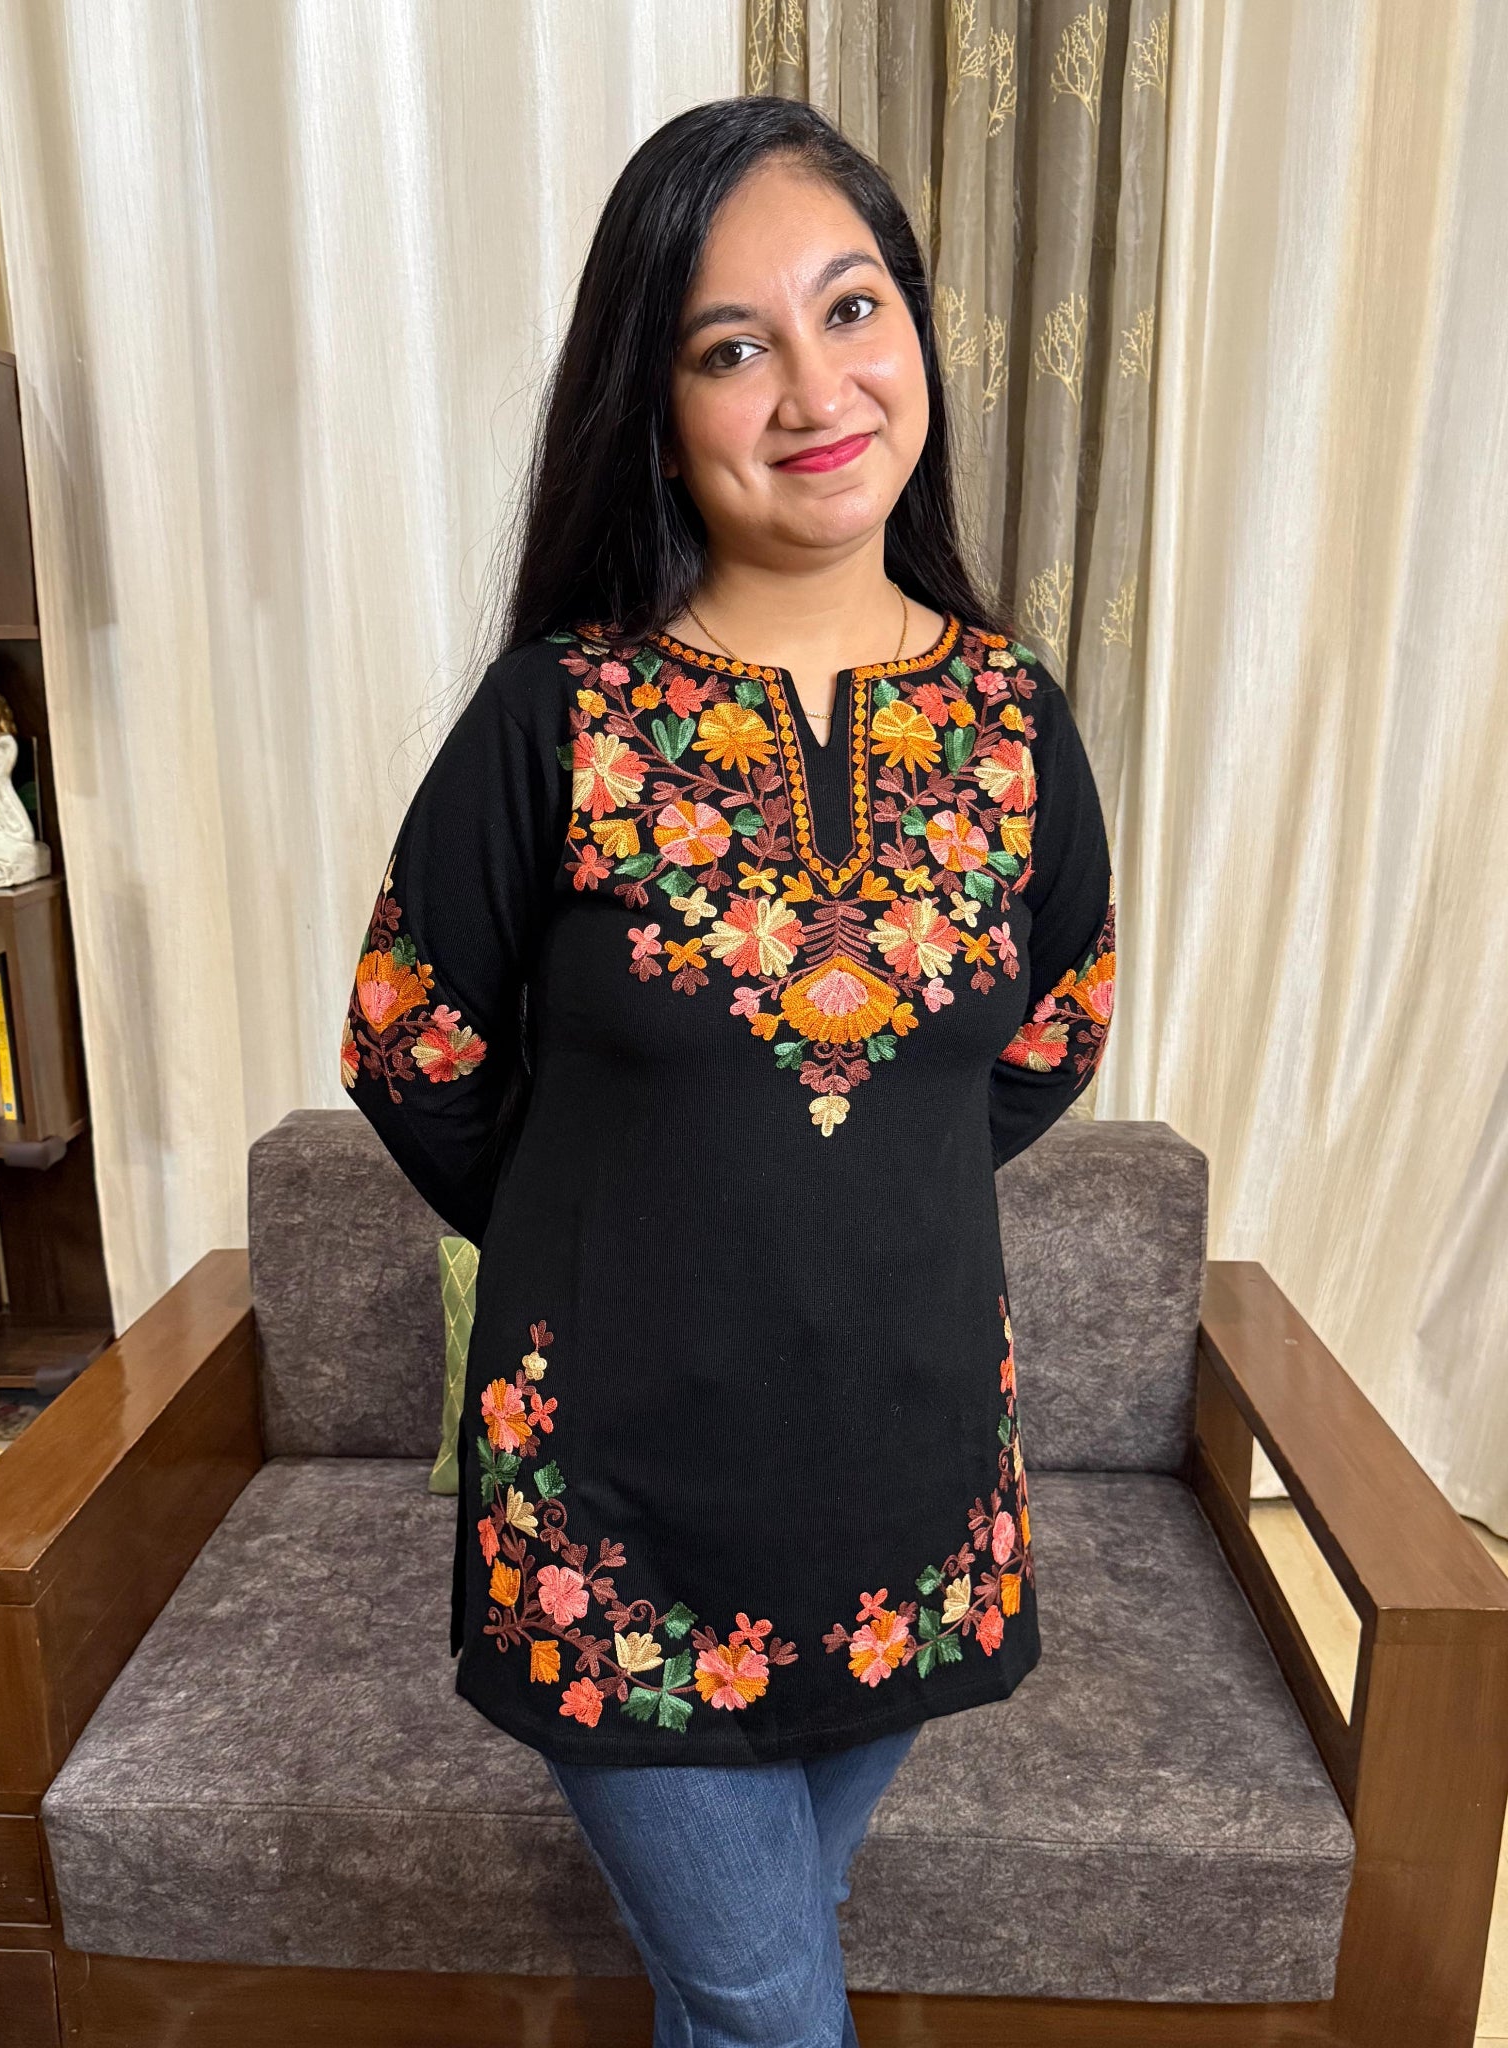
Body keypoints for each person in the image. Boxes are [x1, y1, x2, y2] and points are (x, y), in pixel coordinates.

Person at [342, 94, 1115, 2048]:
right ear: (661, 402)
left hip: (911, 1521)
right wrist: (602, 1234)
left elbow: (1052, 1026)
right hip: (615, 1528)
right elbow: (412, 1043)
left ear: (917, 329)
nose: (812, 386)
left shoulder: (1014, 722)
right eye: (729, 344)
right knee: (778, 2005)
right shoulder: (561, 723)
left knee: (734, 1982)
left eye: (850, 308)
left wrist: (861, 1196)